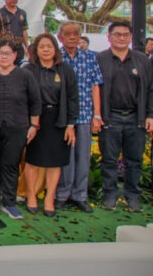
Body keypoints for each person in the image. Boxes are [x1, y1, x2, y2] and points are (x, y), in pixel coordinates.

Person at [95, 22, 153, 212]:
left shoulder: (142, 60)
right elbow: (94, 88)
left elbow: (150, 89)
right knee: (109, 159)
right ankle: (110, 195)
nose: (122, 38)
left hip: (136, 117)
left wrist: (150, 115)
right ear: (109, 37)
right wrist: (97, 115)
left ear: (130, 37)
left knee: (134, 160)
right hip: (110, 116)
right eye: (117, 34)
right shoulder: (99, 59)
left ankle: (133, 196)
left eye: (126, 35)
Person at [0, 40, 41, 218]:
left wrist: (33, 125)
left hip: (17, 127)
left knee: (11, 165)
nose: (4, 57)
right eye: (1, 53)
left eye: (8, 53)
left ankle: (9, 202)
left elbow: (35, 101)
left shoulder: (25, 75)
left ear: (15, 55)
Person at [22, 34, 78, 217]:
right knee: (32, 160)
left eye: (49, 46)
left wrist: (70, 124)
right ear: (36, 50)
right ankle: (31, 195)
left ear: (55, 49)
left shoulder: (65, 70)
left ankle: (49, 199)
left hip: (58, 120)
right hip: (35, 120)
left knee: (55, 162)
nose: (46, 50)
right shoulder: (29, 70)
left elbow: (73, 98)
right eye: (42, 46)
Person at [55, 23, 103, 213]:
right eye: (68, 34)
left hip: (84, 114)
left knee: (83, 156)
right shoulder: (56, 58)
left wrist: (97, 115)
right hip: (62, 116)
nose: (72, 37)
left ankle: (80, 195)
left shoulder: (90, 57)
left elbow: (95, 86)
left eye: (76, 33)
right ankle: (62, 194)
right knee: (64, 157)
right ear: (60, 37)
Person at [0, 0, 29, 64]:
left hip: (19, 48)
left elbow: (24, 31)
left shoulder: (22, 13)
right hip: (4, 49)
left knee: (19, 69)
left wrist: (27, 47)